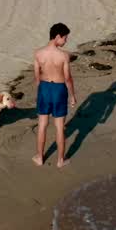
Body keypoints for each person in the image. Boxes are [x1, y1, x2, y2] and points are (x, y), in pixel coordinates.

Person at [33, 22, 76, 168]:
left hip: (44, 88)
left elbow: (37, 77)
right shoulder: (63, 56)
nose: (66, 41)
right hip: (59, 89)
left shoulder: (38, 53)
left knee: (42, 125)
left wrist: (40, 93)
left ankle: (39, 157)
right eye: (65, 38)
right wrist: (72, 95)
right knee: (59, 127)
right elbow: (68, 78)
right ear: (58, 36)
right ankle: (60, 160)